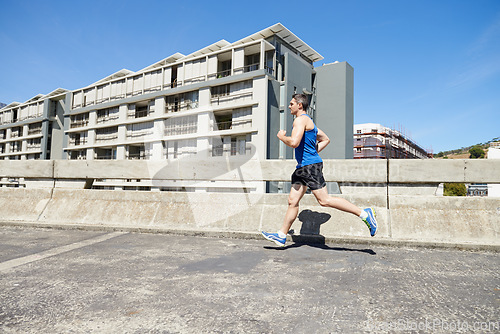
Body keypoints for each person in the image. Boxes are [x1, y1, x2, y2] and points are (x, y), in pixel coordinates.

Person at [261, 94, 378, 247]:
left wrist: (282, 137)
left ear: (299, 105)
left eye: (291, 103)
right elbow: (325, 139)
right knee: (292, 201)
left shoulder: (300, 120)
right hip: (302, 168)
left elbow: (294, 142)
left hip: (310, 167)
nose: (289, 106)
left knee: (325, 200)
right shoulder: (309, 122)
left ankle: (364, 214)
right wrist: (314, 152)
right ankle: (281, 235)